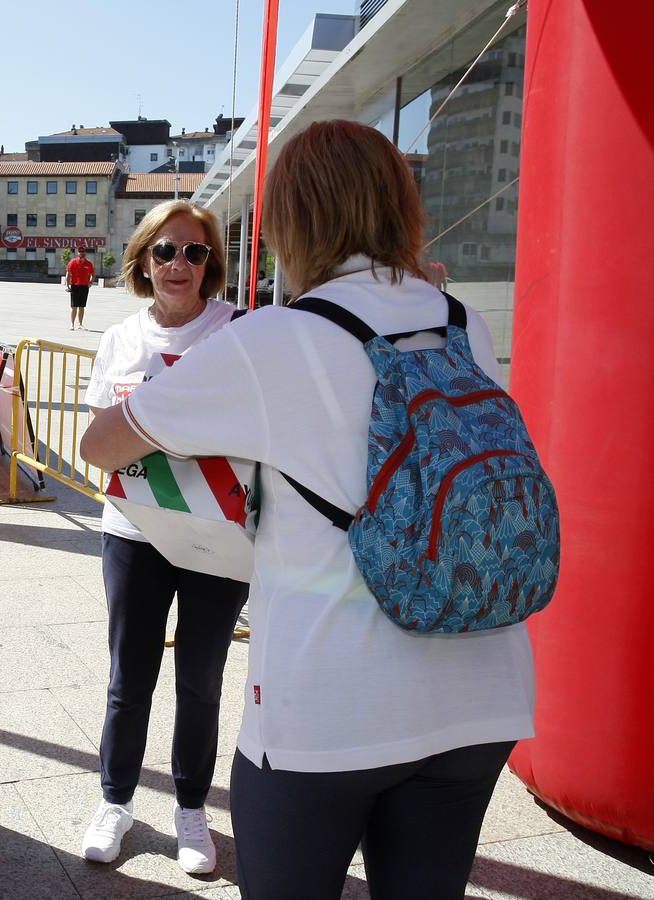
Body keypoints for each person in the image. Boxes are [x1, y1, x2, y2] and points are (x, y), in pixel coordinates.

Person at [80, 120, 535, 899]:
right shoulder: (462, 320)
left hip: (332, 706)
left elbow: (102, 443)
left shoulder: (277, 339)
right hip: (482, 686)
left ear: (294, 217)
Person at [79, 200, 247, 874]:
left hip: (217, 537)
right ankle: (114, 802)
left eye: (195, 252)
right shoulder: (120, 338)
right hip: (134, 530)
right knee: (129, 680)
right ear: (144, 260)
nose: (180, 264)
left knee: (201, 681)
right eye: (166, 251)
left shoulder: (240, 332)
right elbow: (99, 441)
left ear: (212, 264)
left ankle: (190, 810)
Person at [65, 246, 96, 330]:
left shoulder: (88, 264)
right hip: (75, 286)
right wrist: (67, 285)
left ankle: (80, 324)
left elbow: (93, 274)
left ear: (85, 253)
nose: (81, 253)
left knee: (82, 306)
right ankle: (72, 324)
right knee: (74, 306)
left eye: (83, 252)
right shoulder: (73, 262)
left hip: (84, 287)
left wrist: (90, 282)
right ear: (77, 252)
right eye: (80, 252)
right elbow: (68, 274)